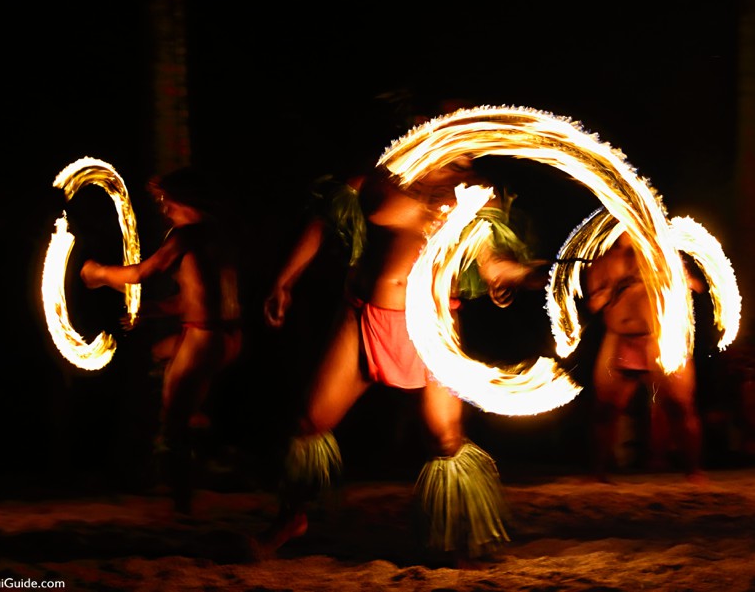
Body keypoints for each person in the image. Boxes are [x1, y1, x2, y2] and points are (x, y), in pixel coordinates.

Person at [257, 146, 547, 564]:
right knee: (310, 421)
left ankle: (459, 538)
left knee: (445, 439)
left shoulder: (476, 193)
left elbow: (492, 262)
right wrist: (284, 281)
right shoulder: (381, 178)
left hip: (431, 326)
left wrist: (522, 273)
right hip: (362, 318)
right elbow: (324, 220)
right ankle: (291, 518)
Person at [80, 166, 243, 514]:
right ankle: (200, 427)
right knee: (159, 355)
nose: (161, 206)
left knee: (174, 422)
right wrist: (150, 310)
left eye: (163, 199)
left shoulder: (185, 236)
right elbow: (194, 298)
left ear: (180, 198)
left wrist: (98, 273)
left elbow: (140, 274)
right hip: (227, 335)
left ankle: (183, 501)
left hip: (204, 338)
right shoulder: (217, 233)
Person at [582, 230, 707, 483]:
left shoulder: (662, 255)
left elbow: (695, 286)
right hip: (619, 337)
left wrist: (668, 278)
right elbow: (594, 304)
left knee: (680, 406)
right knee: (605, 409)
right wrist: (618, 286)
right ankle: (598, 472)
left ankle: (693, 470)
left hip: (660, 338)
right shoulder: (603, 261)